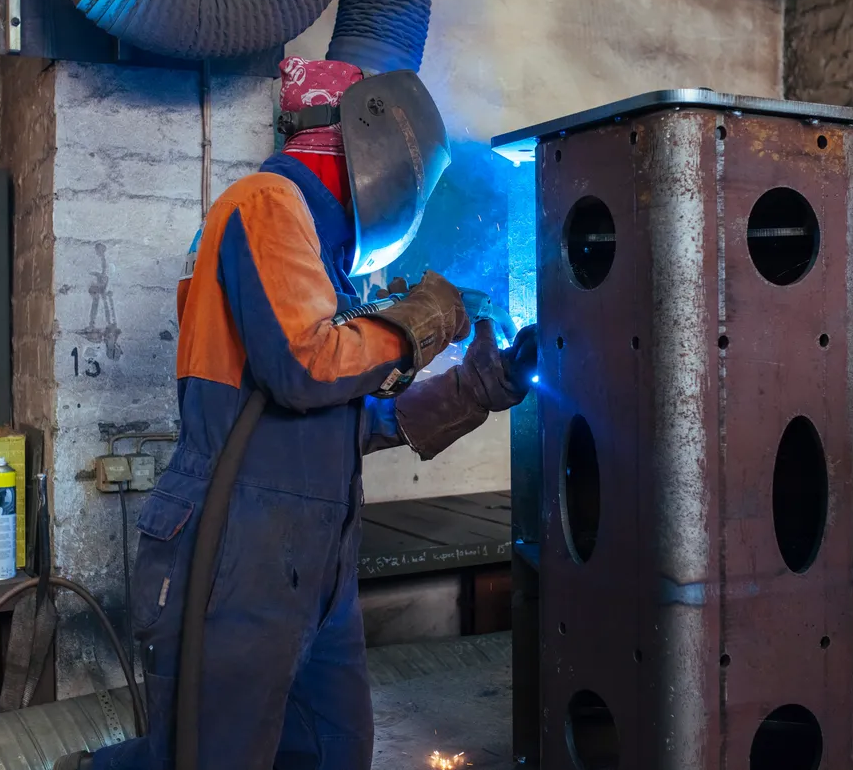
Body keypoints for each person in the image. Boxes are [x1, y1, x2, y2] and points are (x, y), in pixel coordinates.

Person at [60, 57, 537, 770]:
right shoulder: (265, 203)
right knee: (214, 755)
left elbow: (358, 417)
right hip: (239, 548)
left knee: (331, 748)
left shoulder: (325, 266)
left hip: (313, 559)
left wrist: (477, 385)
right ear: (368, 139)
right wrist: (416, 322)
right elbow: (306, 365)